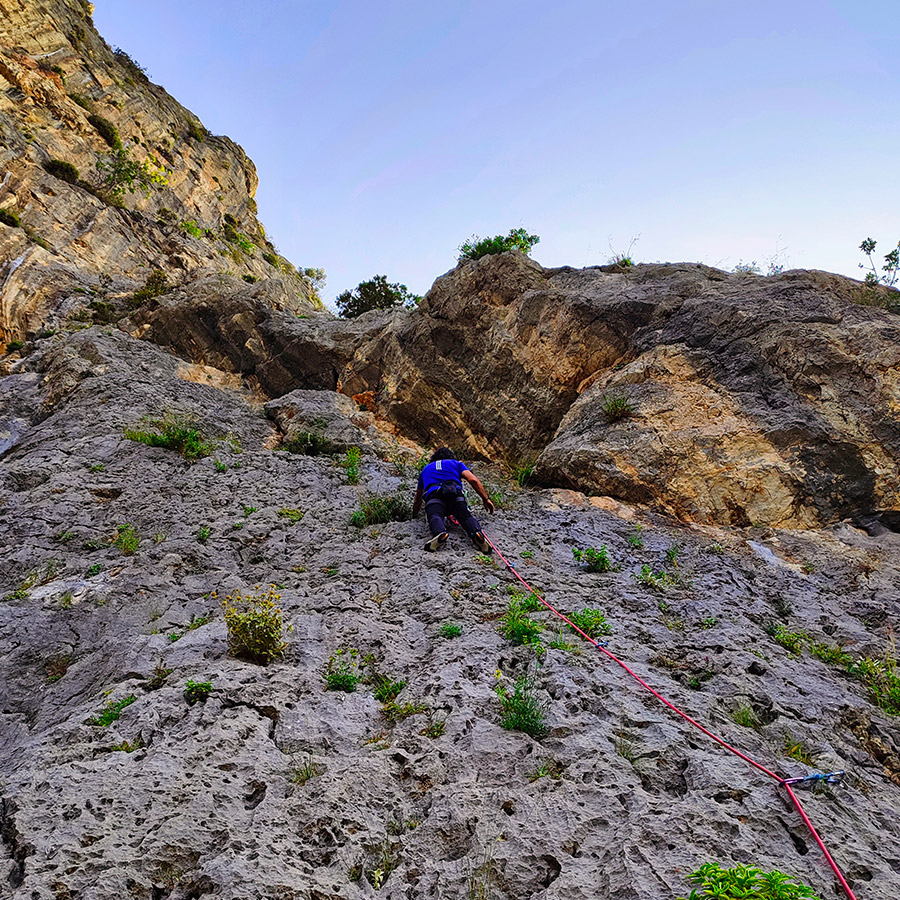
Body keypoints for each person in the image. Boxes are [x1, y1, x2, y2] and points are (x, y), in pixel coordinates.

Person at [412, 448, 495, 552]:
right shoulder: (457, 464)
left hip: (434, 496)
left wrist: (414, 515)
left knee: (435, 516)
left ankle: (440, 532)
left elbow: (418, 497)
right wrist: (485, 499)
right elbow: (473, 480)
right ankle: (476, 533)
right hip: (454, 495)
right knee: (465, 516)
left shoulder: (426, 469)